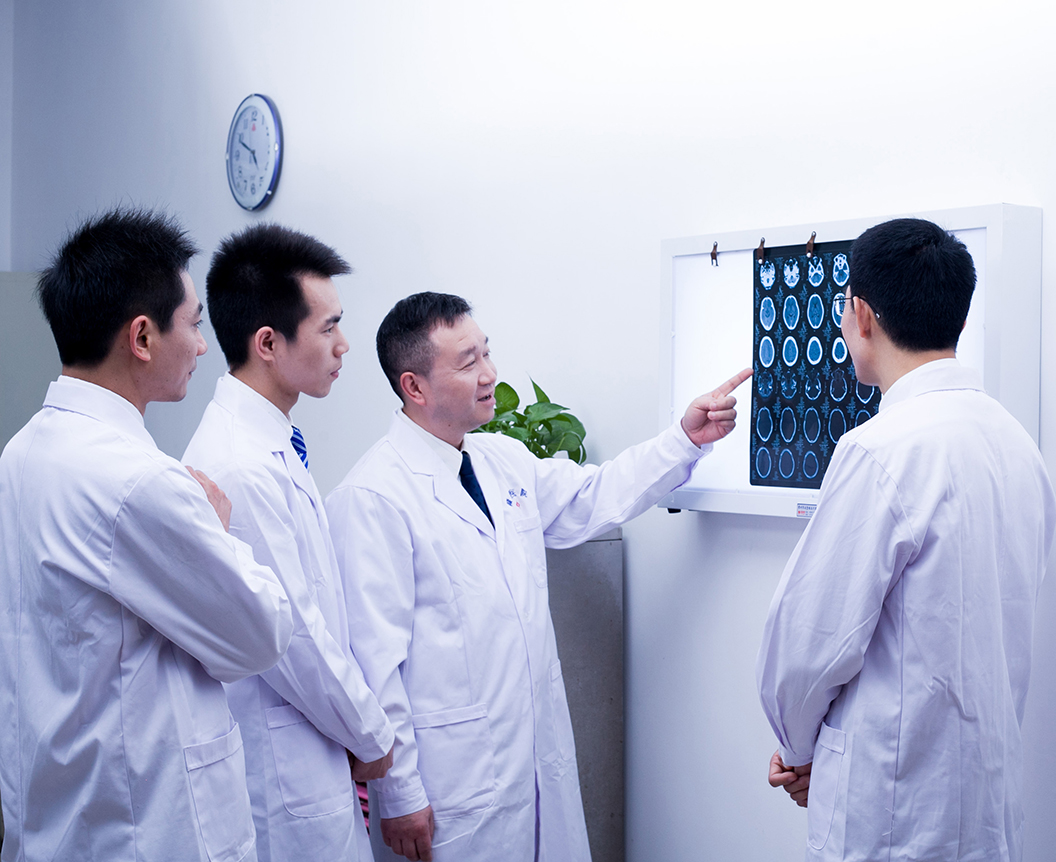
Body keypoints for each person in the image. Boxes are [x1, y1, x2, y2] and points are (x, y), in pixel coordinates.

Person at [325, 292, 749, 862]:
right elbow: (375, 666)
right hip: (450, 787)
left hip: (532, 764)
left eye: (487, 353)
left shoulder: (500, 460)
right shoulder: (372, 497)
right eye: (468, 362)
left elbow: (594, 496)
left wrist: (684, 439)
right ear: (414, 387)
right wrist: (399, 794)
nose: (489, 375)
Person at [756, 218, 1056, 861]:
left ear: (862, 315)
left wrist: (798, 749)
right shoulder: (1016, 445)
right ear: (959, 316)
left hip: (892, 809)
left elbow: (808, 641)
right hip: (985, 801)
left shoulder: (880, 451)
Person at [0, 208, 295, 862]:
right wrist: (216, 527)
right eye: (193, 324)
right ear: (142, 336)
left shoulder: (22, 452)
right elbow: (262, 633)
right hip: (144, 826)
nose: (202, 346)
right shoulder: (139, 482)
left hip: (62, 811)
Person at [183, 224, 396, 862]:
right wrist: (372, 736)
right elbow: (294, 636)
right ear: (269, 343)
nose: (344, 345)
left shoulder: (271, 440)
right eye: (328, 328)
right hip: (283, 772)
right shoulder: (240, 464)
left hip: (309, 750)